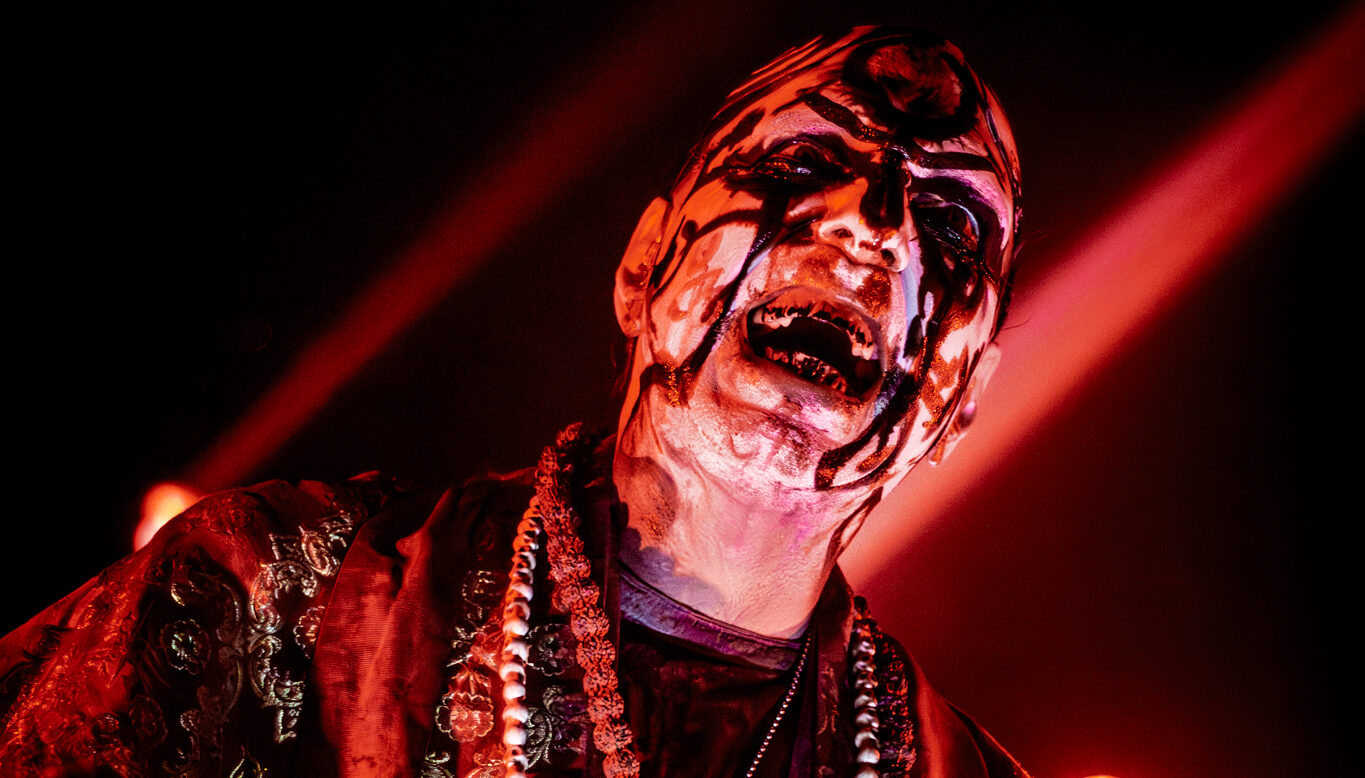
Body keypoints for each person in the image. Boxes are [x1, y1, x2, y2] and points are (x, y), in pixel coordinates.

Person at [0, 26, 1026, 777]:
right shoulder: (261, 596)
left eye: (950, 228)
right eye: (802, 164)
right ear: (641, 267)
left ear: (965, 397)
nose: (870, 228)